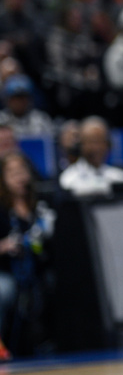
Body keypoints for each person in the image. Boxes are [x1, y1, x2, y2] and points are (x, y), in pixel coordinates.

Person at [0, 150, 55, 358]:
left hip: (38, 268)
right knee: (3, 290)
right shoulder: (1, 209)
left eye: (22, 170)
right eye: (12, 172)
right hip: (6, 270)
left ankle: (49, 343)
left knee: (53, 283)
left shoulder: (40, 204)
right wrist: (4, 246)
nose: (19, 177)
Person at [58, 116, 123, 196]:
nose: (96, 148)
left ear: (109, 145)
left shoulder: (121, 178)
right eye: (91, 142)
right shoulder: (68, 179)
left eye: (100, 141)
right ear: (81, 145)